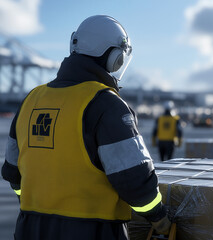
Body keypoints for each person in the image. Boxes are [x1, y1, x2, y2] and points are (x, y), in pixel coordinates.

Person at [1, 15, 170, 240]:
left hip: (29, 228)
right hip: (91, 230)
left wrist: (35, 206)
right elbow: (135, 182)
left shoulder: (31, 100)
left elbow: (13, 173)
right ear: (115, 58)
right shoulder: (106, 104)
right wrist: (160, 219)